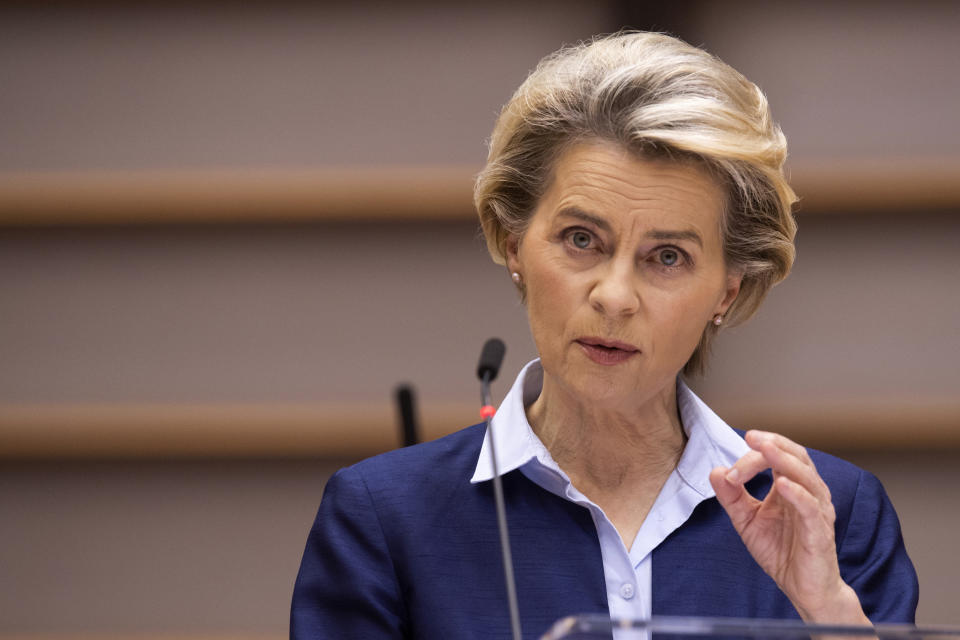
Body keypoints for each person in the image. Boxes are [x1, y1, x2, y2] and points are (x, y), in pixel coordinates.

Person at [291, 32, 917, 639]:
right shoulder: (383, 516)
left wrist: (828, 611)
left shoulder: (829, 512)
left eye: (667, 256)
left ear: (726, 290)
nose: (614, 296)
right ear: (514, 245)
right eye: (581, 240)